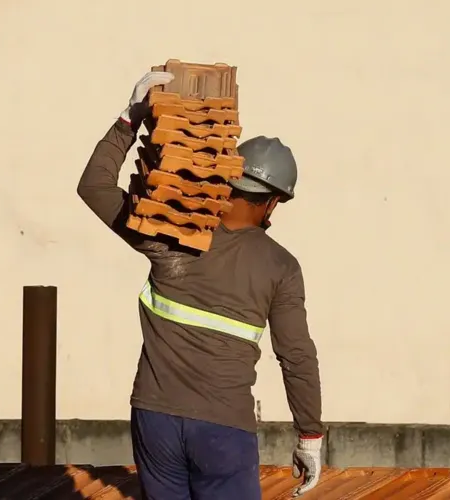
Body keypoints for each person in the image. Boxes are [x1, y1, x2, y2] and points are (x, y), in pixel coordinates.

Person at [77, 71, 323, 499]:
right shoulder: (280, 267)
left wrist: (129, 119)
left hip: (154, 419)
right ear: (271, 201)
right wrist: (310, 437)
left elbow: (94, 186)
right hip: (224, 431)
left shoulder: (168, 232)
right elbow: (297, 357)